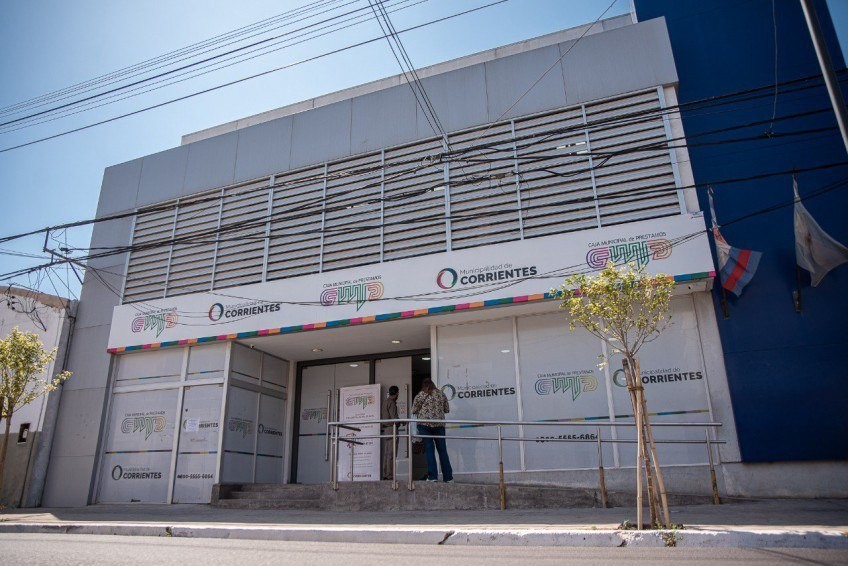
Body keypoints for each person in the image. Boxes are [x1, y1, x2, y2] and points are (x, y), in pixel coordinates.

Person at [411, 378, 453, 482]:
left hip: (425, 425)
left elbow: (414, 410)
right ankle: (448, 478)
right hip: (439, 425)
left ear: (423, 385)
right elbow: (446, 409)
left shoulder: (421, 395)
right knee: (442, 450)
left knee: (429, 450)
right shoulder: (441, 394)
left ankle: (432, 477)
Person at [382, 385, 400, 480]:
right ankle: (390, 475)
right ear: (397, 393)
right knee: (391, 454)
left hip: (386, 430)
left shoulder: (385, 402)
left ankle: (385, 474)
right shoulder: (392, 403)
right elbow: (394, 419)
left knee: (386, 453)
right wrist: (401, 422)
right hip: (392, 429)